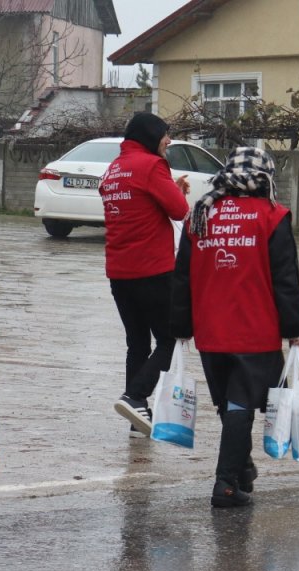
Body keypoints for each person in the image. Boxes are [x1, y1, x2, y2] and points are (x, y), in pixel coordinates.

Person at [172, 147, 299, 508]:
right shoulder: (273, 217)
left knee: (232, 406)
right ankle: (226, 483)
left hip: (210, 332)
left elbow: (182, 276)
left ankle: (242, 468)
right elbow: (286, 280)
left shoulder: (200, 215)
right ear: (265, 179)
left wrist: (182, 326)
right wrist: (294, 328)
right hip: (254, 331)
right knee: (239, 406)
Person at [98, 112, 191, 436]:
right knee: (172, 339)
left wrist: (169, 188)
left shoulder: (114, 169)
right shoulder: (152, 166)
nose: (168, 141)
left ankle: (138, 417)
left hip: (119, 273)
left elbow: (139, 204)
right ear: (151, 135)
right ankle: (135, 396)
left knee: (136, 343)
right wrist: (176, 191)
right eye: (165, 135)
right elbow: (180, 210)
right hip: (153, 270)